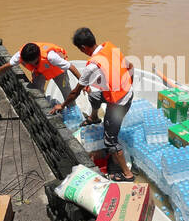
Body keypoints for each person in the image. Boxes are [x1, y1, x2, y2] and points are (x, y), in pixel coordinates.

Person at [49, 27, 134, 181]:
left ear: (82, 48)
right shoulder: (110, 48)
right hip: (126, 92)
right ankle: (94, 117)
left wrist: (62, 105)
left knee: (110, 141)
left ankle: (127, 174)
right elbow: (130, 67)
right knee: (94, 94)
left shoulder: (92, 66)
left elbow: (75, 92)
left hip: (119, 103)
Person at [0, 41, 81, 103]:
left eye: (33, 63)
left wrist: (83, 84)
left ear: (38, 57)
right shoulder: (20, 55)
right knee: (37, 91)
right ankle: (45, 106)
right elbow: (5, 67)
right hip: (40, 71)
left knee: (66, 90)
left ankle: (71, 108)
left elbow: (71, 67)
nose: (31, 65)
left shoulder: (51, 57)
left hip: (57, 69)